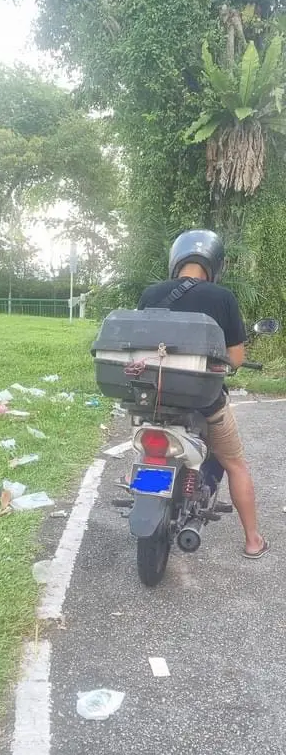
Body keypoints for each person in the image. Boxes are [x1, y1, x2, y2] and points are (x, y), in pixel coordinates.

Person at [137, 229, 268, 559]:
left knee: (146, 451)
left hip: (155, 399)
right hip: (205, 402)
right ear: (214, 265)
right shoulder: (222, 297)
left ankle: (145, 487)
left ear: (176, 260)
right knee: (235, 464)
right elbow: (235, 359)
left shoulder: (151, 293)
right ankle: (253, 541)